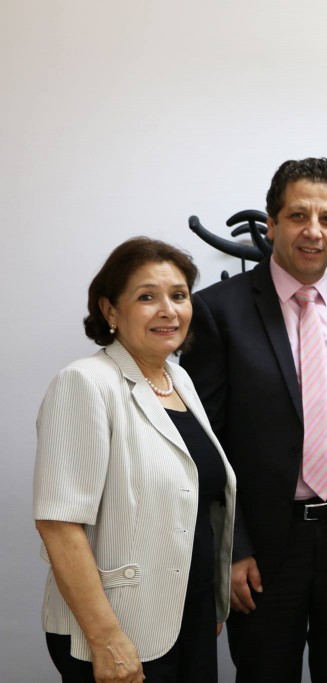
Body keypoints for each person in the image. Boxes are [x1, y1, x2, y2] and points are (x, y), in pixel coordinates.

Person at [180, 158, 327, 683]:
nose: (313, 231)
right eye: (298, 216)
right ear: (272, 223)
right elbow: (203, 443)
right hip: (264, 548)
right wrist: (231, 547)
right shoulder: (217, 311)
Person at [34, 237, 237, 683]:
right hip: (120, 630)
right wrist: (107, 639)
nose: (168, 310)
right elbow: (59, 525)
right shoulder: (85, 383)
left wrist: (204, 604)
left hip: (186, 617)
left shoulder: (178, 380)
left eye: (179, 296)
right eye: (147, 297)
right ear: (110, 310)